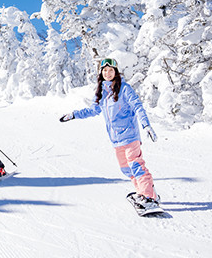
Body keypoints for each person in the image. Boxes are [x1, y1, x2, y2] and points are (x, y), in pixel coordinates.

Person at [59, 58, 160, 210]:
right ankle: (142, 192)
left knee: (136, 165)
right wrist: (74, 114)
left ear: (116, 72)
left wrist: (146, 125)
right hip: (116, 139)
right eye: (105, 70)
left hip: (130, 136)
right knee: (126, 169)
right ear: (101, 72)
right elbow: (93, 110)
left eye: (111, 70)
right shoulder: (101, 92)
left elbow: (138, 107)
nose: (107, 73)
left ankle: (150, 197)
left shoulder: (124, 89)